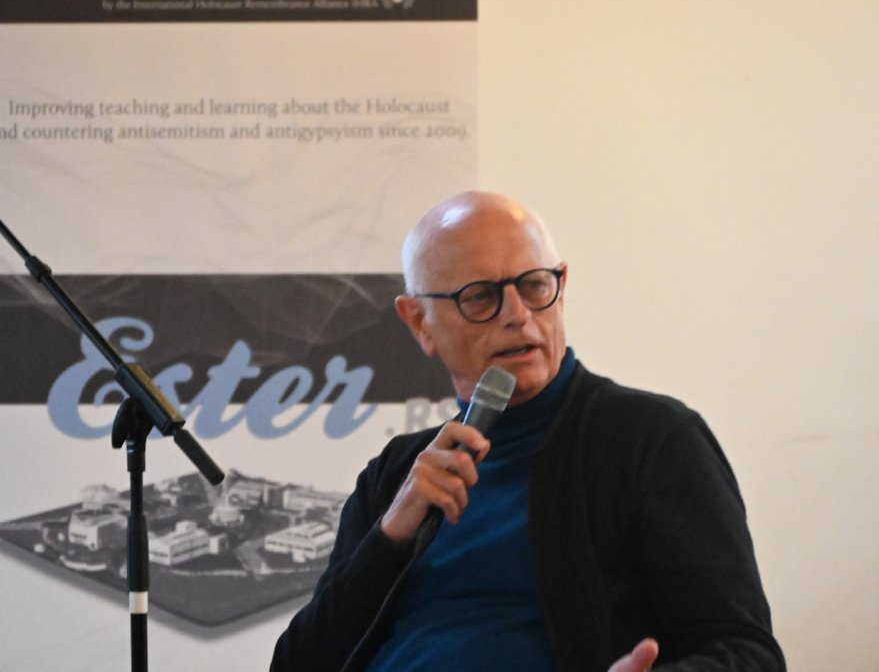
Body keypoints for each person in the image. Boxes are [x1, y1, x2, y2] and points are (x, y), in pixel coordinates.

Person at [271, 191, 785, 671]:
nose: (518, 316)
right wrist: (389, 538)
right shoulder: (398, 474)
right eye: (480, 296)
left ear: (561, 288)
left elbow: (749, 655)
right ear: (420, 323)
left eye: (535, 285)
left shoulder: (651, 441)